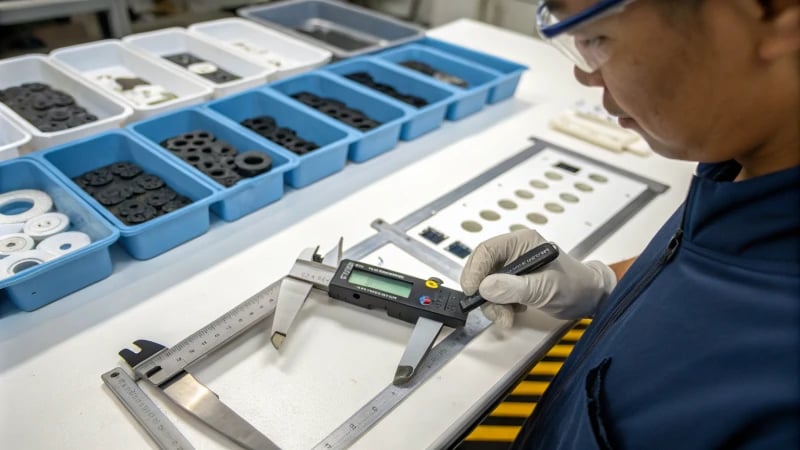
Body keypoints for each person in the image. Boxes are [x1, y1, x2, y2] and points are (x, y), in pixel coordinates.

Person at [459, 0, 800, 448]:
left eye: (596, 38)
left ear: (775, 14)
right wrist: (603, 283)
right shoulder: (740, 165)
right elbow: (704, 270)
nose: (584, 74)